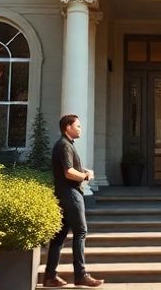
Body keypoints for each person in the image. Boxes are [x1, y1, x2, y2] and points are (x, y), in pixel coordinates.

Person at [42, 114, 104, 288]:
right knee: (81, 232)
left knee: (59, 236)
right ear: (67, 127)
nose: (80, 129)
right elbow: (68, 172)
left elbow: (69, 168)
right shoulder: (64, 145)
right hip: (71, 194)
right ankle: (81, 275)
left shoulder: (65, 145)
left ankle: (50, 277)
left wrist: (84, 170)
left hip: (64, 193)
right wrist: (85, 176)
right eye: (77, 126)